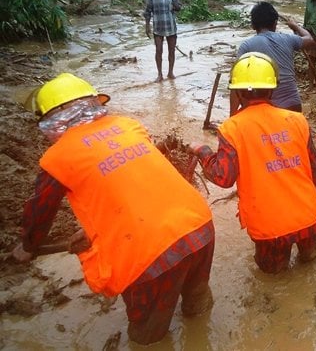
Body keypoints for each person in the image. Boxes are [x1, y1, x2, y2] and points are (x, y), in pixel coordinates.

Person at [11, 73, 214, 345]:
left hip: (152, 254)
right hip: (200, 226)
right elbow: (131, 181)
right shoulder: (128, 126)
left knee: (147, 338)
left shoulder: (57, 158)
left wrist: (28, 245)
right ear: (95, 104)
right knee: (198, 302)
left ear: (52, 121)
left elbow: (41, 211)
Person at [190, 52, 316, 274]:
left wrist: (202, 151)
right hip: (309, 217)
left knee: (273, 274)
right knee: (311, 260)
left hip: (269, 228)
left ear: (236, 92)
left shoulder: (231, 128)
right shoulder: (296, 120)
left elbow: (223, 178)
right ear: (273, 87)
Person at [232, 1, 315, 115]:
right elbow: (309, 39)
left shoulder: (247, 46)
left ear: (252, 25)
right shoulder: (288, 39)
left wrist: (232, 117)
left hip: (266, 109)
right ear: (275, 23)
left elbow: (236, 84)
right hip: (293, 106)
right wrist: (295, 26)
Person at [144, 0, 181, 82]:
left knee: (171, 51)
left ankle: (170, 72)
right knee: (159, 51)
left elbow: (179, 8)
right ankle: (159, 74)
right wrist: (147, 26)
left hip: (171, 27)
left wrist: (175, 5)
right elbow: (147, 11)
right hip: (158, 28)